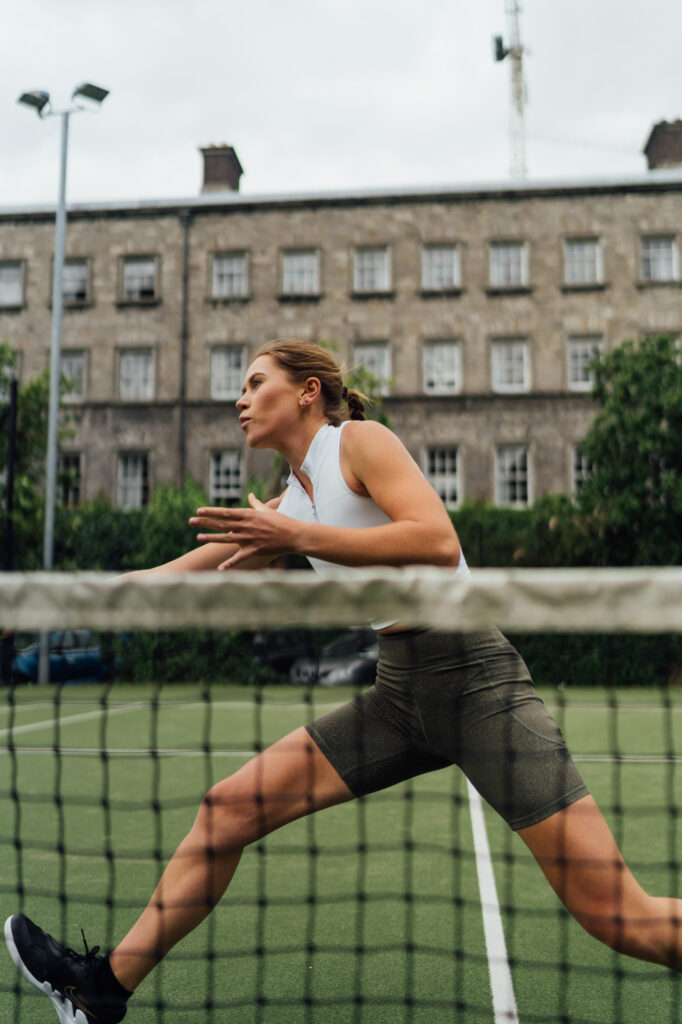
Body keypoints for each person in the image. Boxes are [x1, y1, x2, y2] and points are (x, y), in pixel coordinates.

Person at [5, 338, 682, 1023]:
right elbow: (166, 580)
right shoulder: (290, 503)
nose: (240, 399)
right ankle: (100, 993)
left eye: (255, 382)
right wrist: (40, 604)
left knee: (616, 915)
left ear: (307, 391)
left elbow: (437, 540)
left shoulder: (359, 442)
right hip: (399, 695)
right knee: (227, 810)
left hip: (477, 682)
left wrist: (292, 539)